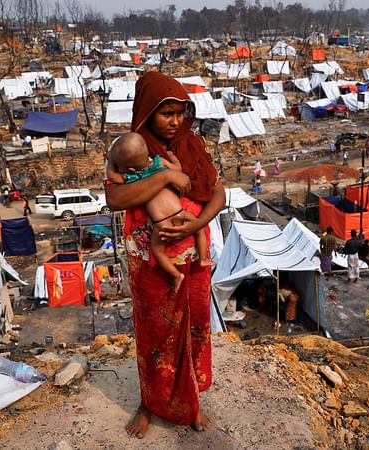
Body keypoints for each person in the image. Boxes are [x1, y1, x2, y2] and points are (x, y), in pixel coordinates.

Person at [104, 71, 225, 438]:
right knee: (156, 332)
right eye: (165, 114)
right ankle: (149, 403)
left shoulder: (192, 146)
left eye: (179, 112)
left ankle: (191, 403)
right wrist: (165, 178)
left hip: (193, 250)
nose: (174, 122)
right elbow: (115, 199)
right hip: (150, 256)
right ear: (146, 112)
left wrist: (196, 223)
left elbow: (218, 193)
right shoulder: (129, 148)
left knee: (194, 328)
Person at [107, 132, 214, 294]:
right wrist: (172, 157)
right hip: (181, 213)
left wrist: (111, 162)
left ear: (128, 168)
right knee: (199, 229)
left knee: (157, 251)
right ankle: (204, 259)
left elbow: (113, 177)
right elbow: (177, 169)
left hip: (162, 224)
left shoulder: (132, 177)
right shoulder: (158, 162)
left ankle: (175, 275)